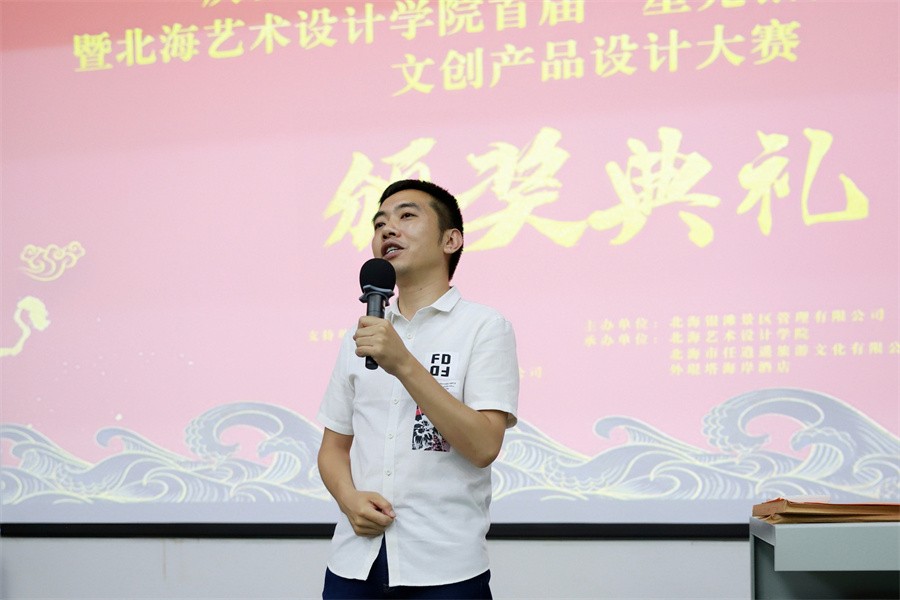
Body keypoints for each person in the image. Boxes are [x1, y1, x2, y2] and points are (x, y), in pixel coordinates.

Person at [317, 179, 519, 599]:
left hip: (445, 570)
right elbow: (333, 448)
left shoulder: (483, 327)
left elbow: (484, 446)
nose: (388, 229)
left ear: (451, 240)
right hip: (354, 564)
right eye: (379, 224)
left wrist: (404, 364)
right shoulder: (360, 335)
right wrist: (348, 499)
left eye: (407, 216)